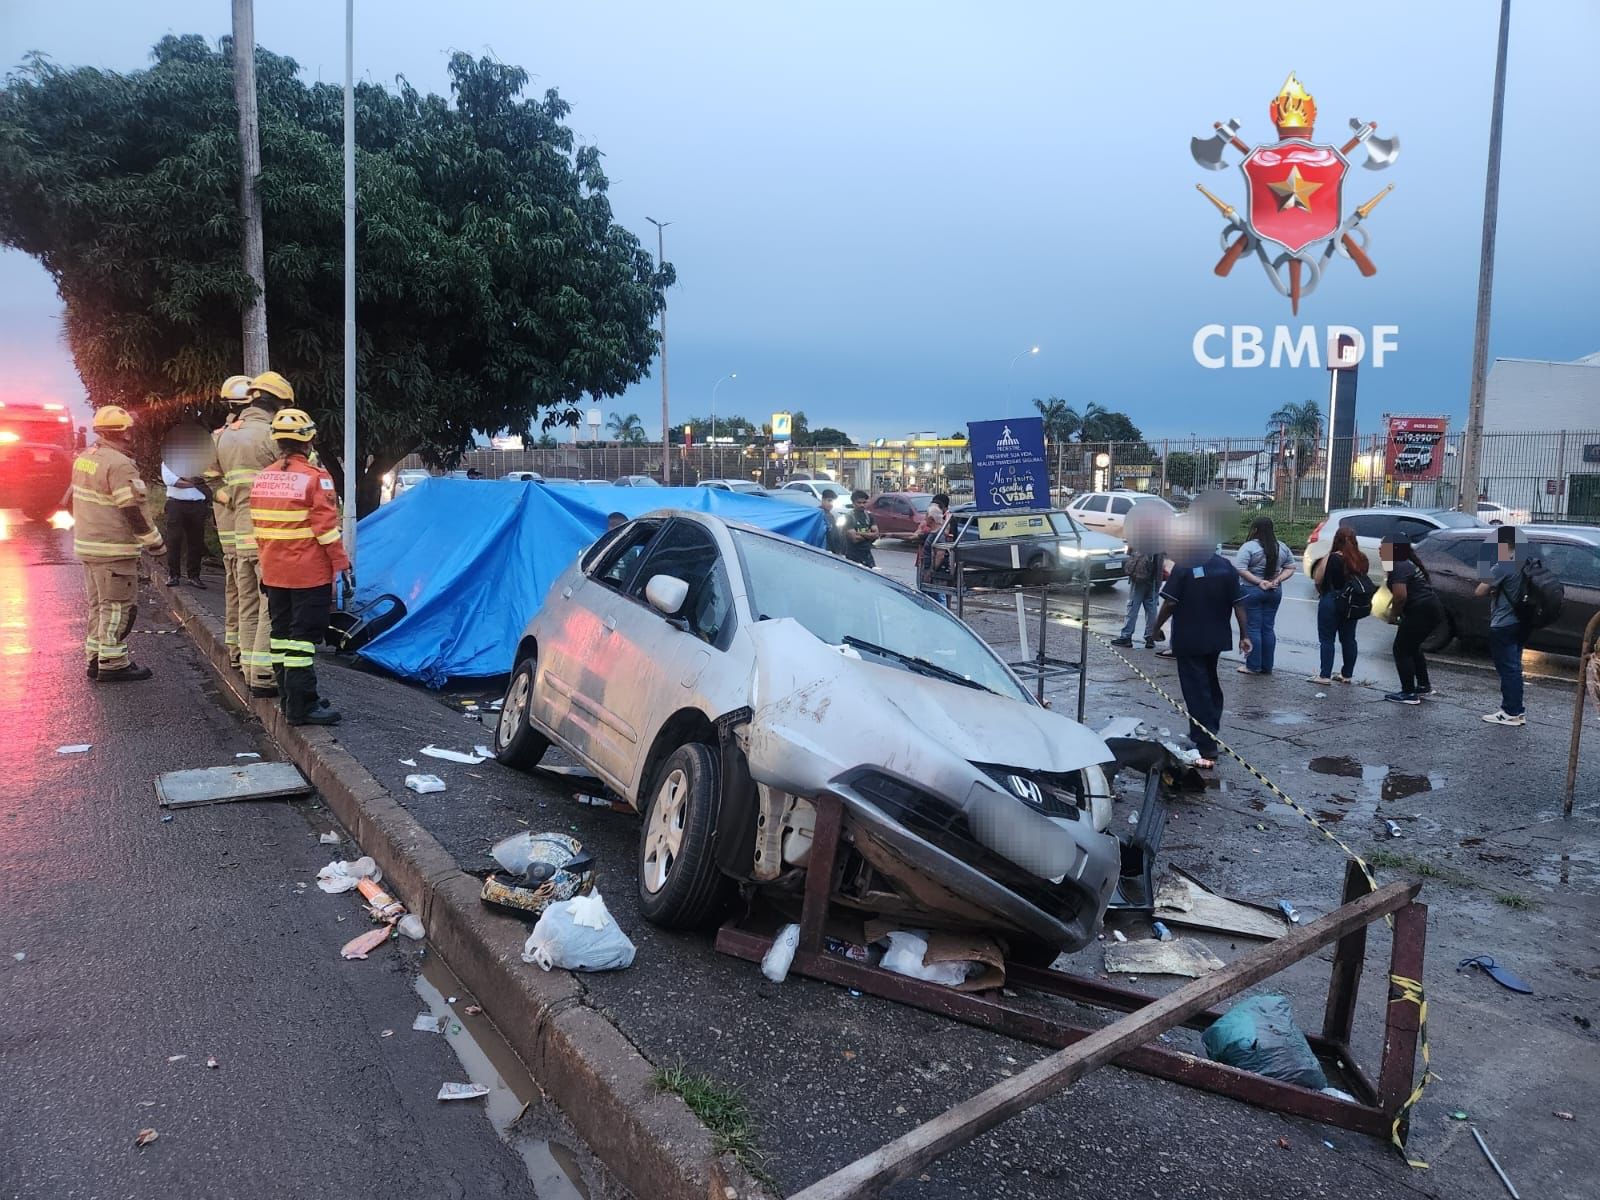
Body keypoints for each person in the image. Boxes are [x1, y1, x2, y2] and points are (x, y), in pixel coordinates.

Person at [250, 408, 351, 726]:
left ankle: (291, 698)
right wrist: (342, 564)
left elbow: (259, 528)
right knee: (302, 641)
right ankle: (302, 707)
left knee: (281, 636)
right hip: (308, 574)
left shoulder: (263, 478)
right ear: (309, 441)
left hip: (273, 571)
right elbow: (326, 530)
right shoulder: (316, 478)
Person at [70, 406, 166, 682]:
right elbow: (132, 509)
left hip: (89, 546)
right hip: (113, 549)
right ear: (124, 433)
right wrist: (155, 544)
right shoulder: (120, 464)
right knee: (118, 607)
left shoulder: (85, 458)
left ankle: (95, 657)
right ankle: (113, 662)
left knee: (99, 606)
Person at [217, 370, 293, 696]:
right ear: (279, 403)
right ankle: (263, 673)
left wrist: (230, 500)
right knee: (271, 605)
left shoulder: (224, 436)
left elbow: (210, 479)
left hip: (238, 534)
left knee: (246, 603)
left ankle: (248, 665)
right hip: (268, 534)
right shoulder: (273, 436)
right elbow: (299, 477)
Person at [1151, 549, 1250, 769]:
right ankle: (1208, 731)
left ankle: (1206, 742)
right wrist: (1245, 635)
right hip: (1216, 638)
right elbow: (1239, 603)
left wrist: (1156, 628)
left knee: (1196, 690)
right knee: (1210, 684)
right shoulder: (1225, 566)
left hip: (1190, 638)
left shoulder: (1184, 566)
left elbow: (1170, 603)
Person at [203, 376, 253, 669]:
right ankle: (247, 654)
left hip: (230, 531)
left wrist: (228, 498)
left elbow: (209, 479)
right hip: (253, 531)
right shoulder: (265, 435)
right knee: (253, 597)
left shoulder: (218, 437)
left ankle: (235, 649)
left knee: (234, 590)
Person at [1380, 535, 1442, 705]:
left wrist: (1394, 614)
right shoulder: (1405, 563)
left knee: (1401, 650)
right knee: (1412, 647)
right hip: (1429, 609)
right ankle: (1423, 686)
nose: (1380, 549)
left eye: (1383, 546)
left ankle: (1408, 693)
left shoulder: (1399, 565)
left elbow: (1400, 596)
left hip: (1420, 611)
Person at [1232, 515, 1296, 675]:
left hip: (1251, 590)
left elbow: (1240, 569)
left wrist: (1259, 582)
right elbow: (1291, 567)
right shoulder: (1281, 547)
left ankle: (1253, 665)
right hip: (1274, 591)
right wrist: (1277, 579)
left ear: (1255, 529)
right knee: (1268, 628)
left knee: (1253, 627)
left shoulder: (1249, 547)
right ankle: (1267, 666)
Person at [1477, 526, 1526, 726]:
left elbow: (1479, 591)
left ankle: (1510, 711)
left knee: (1508, 669)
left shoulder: (1504, 565)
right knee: (1515, 667)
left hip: (1503, 623)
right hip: (1521, 621)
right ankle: (1518, 710)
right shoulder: (1523, 562)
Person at [1310, 526, 1367, 685]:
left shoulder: (1332, 557)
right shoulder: (1361, 558)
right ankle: (1346, 675)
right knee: (1349, 639)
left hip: (1332, 599)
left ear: (1336, 539)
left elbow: (1318, 579)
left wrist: (1322, 592)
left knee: (1327, 639)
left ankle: (1324, 676)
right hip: (1352, 602)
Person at [160, 456, 208, 589]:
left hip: (197, 504)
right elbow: (171, 481)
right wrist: (195, 483)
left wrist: (184, 478)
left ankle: (194, 576)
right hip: (176, 504)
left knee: (196, 542)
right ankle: (173, 575)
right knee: (174, 540)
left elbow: (209, 479)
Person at [1112, 547, 1162, 648]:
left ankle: (1126, 636)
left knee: (1133, 606)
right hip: (1154, 575)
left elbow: (1130, 552)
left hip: (1140, 575)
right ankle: (1150, 637)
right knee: (1151, 607)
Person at [845, 489, 879, 567]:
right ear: (853, 503)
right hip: (853, 555)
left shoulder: (869, 516)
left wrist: (859, 533)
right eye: (859, 503)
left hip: (867, 555)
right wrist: (869, 535)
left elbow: (876, 535)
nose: (862, 505)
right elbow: (855, 539)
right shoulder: (849, 517)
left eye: (864, 502)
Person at [819, 490, 850, 557]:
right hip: (821, 551)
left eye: (833, 502)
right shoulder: (818, 515)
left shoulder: (831, 516)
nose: (831, 504)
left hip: (831, 552)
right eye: (829, 500)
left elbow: (835, 535)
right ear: (823, 500)